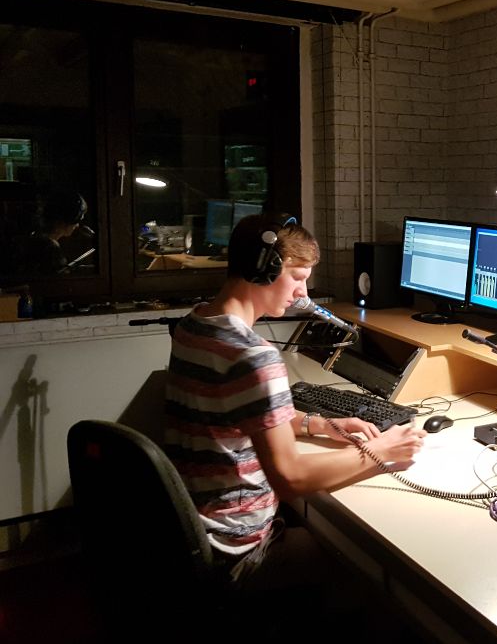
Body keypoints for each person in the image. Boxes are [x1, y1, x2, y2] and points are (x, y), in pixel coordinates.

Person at [164, 212, 426, 602]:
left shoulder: (194, 325)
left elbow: (242, 411)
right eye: (298, 277)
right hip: (236, 548)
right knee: (361, 570)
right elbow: (290, 478)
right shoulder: (254, 356)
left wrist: (318, 424)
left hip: (194, 526)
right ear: (264, 270)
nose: (303, 293)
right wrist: (381, 452)